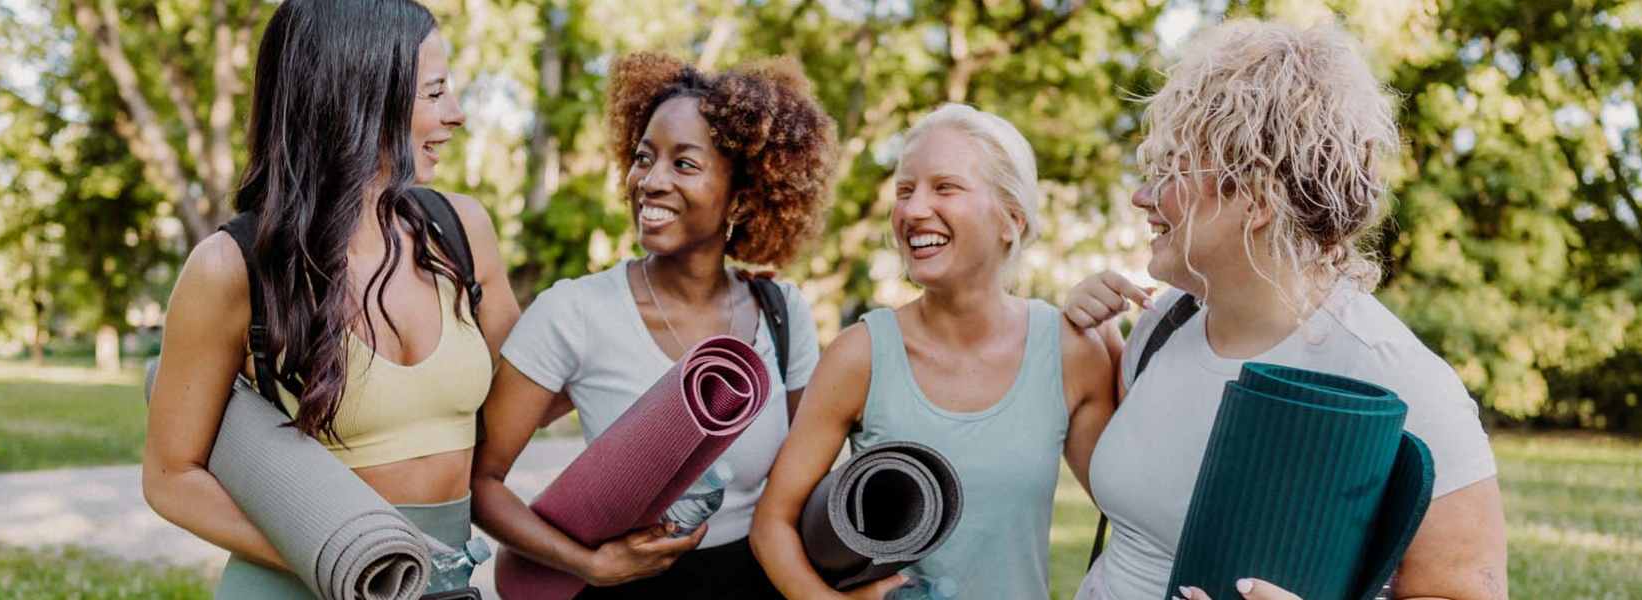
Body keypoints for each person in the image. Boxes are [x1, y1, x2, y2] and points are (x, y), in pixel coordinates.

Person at [1058, 21, 1509, 600]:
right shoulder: (1162, 325)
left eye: (1171, 170)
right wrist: (1086, 344)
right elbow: (1151, 501)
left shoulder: (1397, 379)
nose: (1143, 196)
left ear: (1256, 195)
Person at [142, 1, 519, 597]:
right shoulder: (231, 266)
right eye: (434, 92)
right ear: (360, 96)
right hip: (308, 581)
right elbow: (170, 477)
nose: (457, 114)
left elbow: (530, 396)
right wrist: (343, 560)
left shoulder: (461, 232)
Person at [471, 51, 838, 599]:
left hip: (758, 582)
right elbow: (481, 483)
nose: (650, 181)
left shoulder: (782, 314)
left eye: (684, 164)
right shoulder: (574, 311)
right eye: (644, 158)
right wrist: (587, 564)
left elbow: (803, 488)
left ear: (740, 196)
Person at [750, 104, 1118, 600]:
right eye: (905, 191)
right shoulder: (861, 355)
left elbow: (1136, 511)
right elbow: (772, 524)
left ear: (1011, 219)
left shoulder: (1071, 351)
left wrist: (1114, 339)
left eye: (945, 187)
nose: (914, 209)